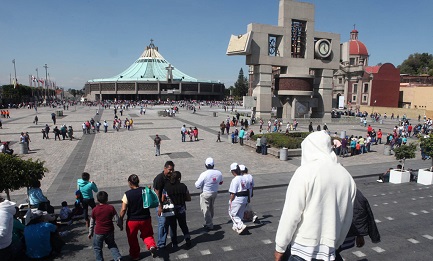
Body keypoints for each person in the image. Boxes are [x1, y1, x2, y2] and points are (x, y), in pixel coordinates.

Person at [274, 131, 356, 261]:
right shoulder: (346, 176)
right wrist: (336, 244)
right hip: (330, 250)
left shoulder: (305, 172)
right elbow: (347, 218)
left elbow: (291, 214)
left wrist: (280, 246)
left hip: (302, 249)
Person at [335, 189, 381, 261]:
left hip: (341, 233)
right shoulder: (350, 186)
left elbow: (358, 209)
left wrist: (360, 234)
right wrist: (360, 235)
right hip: (343, 232)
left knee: (331, 253)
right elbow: (359, 209)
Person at [119, 174, 157, 259]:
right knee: (147, 234)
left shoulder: (127, 194)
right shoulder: (145, 190)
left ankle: (135, 255)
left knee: (132, 239)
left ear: (129, 183)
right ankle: (151, 246)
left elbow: (123, 209)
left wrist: (120, 219)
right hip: (145, 218)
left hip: (132, 221)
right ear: (138, 181)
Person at [89, 191, 122, 261]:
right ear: (107, 199)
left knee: (97, 248)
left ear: (97, 200)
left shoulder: (95, 209)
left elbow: (92, 222)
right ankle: (118, 258)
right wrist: (120, 226)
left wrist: (90, 232)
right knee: (112, 245)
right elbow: (117, 219)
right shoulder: (111, 208)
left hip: (99, 232)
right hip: (109, 230)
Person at [164, 171, 192, 248]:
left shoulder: (167, 187)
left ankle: (175, 243)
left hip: (171, 210)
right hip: (181, 209)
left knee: (173, 227)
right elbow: (188, 198)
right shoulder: (183, 186)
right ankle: (187, 238)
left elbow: (163, 198)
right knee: (183, 225)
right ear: (179, 178)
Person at [195, 157, 223, 230]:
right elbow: (221, 182)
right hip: (214, 192)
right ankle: (210, 221)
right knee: (211, 207)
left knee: (205, 209)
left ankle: (209, 224)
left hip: (206, 193)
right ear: (213, 165)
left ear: (206, 165)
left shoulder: (204, 174)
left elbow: (197, 185)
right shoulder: (218, 173)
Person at [153, 161, 175, 249]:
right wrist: (160, 207)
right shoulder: (159, 179)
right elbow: (157, 193)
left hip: (168, 204)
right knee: (162, 223)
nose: (171, 172)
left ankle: (164, 241)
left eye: (172, 170)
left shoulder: (171, 177)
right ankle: (161, 244)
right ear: (164, 168)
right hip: (161, 204)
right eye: (170, 170)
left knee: (167, 223)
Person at [228, 163, 249, 235]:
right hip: (245, 197)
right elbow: (248, 189)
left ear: (233, 172)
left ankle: (240, 225)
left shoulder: (235, 180)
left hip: (238, 198)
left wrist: (230, 200)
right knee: (240, 213)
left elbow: (233, 192)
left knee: (232, 213)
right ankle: (236, 226)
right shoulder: (244, 178)